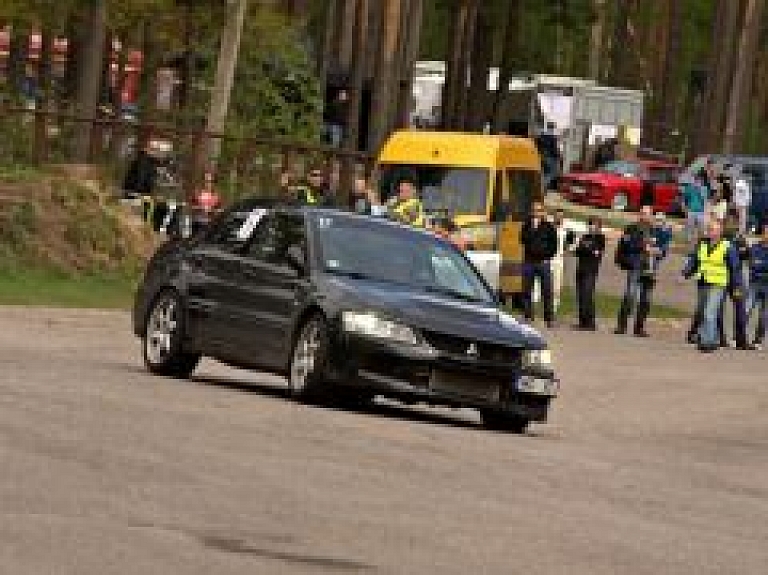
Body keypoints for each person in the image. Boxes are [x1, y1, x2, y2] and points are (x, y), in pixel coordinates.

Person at [683, 220, 745, 353]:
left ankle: (708, 342)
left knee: (709, 312)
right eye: (710, 229)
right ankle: (712, 338)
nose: (712, 232)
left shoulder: (727, 246)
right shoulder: (702, 244)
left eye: (714, 229)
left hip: (719, 284)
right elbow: (695, 260)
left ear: (720, 231)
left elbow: (735, 268)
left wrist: (737, 287)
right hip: (703, 282)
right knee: (701, 312)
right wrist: (685, 273)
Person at [614, 205, 659, 337]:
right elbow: (627, 244)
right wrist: (644, 247)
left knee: (646, 299)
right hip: (636, 265)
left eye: (648, 214)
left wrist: (659, 251)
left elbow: (660, 247)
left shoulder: (654, 230)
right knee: (630, 295)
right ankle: (621, 326)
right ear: (639, 214)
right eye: (643, 213)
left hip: (650, 268)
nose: (645, 216)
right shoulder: (631, 228)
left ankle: (639, 328)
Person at [521, 202, 558, 327]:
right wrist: (532, 228)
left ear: (543, 212)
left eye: (539, 210)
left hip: (543, 263)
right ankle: (528, 315)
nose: (537, 213)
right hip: (529, 262)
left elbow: (554, 245)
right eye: (534, 210)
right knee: (526, 289)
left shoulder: (548, 227)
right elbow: (523, 239)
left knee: (547, 290)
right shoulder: (527, 225)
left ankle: (549, 318)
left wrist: (547, 257)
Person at [716, 215, 750, 349]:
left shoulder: (739, 239)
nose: (731, 226)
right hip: (722, 279)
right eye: (728, 224)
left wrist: (745, 249)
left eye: (733, 224)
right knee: (719, 309)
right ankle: (721, 339)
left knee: (740, 310)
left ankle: (741, 341)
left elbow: (747, 256)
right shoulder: (719, 239)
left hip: (736, 280)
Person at [571, 216, 606, 331]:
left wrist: (586, 248)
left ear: (598, 227)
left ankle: (590, 322)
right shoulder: (585, 237)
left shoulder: (600, 238)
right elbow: (578, 251)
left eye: (594, 224)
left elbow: (596, 252)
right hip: (581, 268)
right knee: (580, 295)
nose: (592, 226)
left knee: (587, 295)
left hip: (591, 270)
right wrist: (585, 248)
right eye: (590, 224)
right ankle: (582, 322)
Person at [746, 227, 768, 349]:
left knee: (764, 316)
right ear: (762, 234)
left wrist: (760, 264)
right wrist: (760, 264)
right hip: (754, 283)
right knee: (746, 309)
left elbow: (758, 264)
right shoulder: (754, 247)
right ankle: (738, 337)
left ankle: (758, 341)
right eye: (766, 233)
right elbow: (753, 264)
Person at [680, 170, 708, 245]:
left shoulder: (704, 189)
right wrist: (684, 208)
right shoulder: (689, 188)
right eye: (697, 179)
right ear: (695, 180)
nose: (698, 181)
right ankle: (690, 240)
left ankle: (701, 240)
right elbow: (684, 198)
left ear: (702, 180)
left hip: (700, 211)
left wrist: (700, 191)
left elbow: (705, 200)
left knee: (701, 227)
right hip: (691, 210)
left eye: (700, 180)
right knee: (690, 227)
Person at [551, 209, 569, 313]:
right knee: (540, 283)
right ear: (554, 217)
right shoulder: (548, 228)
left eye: (561, 216)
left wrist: (564, 253)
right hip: (548, 258)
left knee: (557, 284)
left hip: (559, 259)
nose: (559, 218)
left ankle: (554, 307)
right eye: (557, 216)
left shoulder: (565, 230)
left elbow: (567, 245)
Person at [535, 122, 561, 191]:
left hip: (541, 157)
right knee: (551, 173)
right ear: (552, 128)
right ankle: (543, 188)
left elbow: (537, 145)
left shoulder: (541, 135)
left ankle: (540, 187)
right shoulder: (552, 137)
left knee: (543, 173)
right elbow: (554, 149)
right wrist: (558, 156)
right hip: (550, 157)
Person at [731, 166, 752, 235]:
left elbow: (747, 196)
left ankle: (741, 232)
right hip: (740, 204)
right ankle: (739, 232)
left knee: (742, 220)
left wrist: (746, 204)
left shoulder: (746, 184)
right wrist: (735, 203)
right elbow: (736, 194)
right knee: (739, 219)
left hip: (742, 204)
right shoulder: (739, 183)